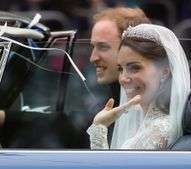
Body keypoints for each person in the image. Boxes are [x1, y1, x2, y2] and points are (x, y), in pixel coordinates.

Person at [0, 7, 151, 148]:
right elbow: (70, 125)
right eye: (92, 47)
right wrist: (6, 118)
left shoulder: (147, 109)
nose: (92, 58)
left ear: (131, 50)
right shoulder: (114, 99)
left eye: (103, 47)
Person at [87, 23, 191, 149]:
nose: (123, 79)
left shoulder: (160, 131)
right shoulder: (148, 123)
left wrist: (99, 128)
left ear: (164, 71)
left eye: (135, 68)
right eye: (120, 69)